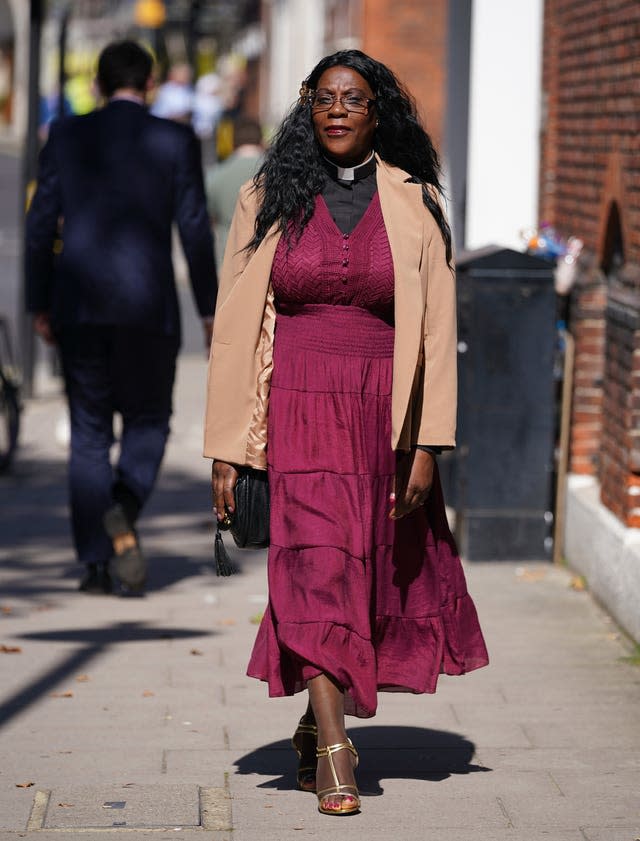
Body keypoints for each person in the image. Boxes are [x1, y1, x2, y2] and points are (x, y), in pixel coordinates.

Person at [204, 50, 488, 816]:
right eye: (324, 99)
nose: (337, 111)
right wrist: (229, 448)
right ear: (308, 108)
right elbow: (234, 330)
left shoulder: (415, 200)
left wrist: (428, 443)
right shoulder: (268, 196)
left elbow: (435, 329)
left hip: (379, 413)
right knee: (314, 567)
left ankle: (312, 717)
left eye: (353, 100)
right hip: (293, 404)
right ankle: (336, 750)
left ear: (375, 112)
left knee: (356, 575)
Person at [26, 40, 217, 595]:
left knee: (88, 433)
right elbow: (195, 229)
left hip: (78, 303)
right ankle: (125, 507)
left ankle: (93, 563)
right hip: (147, 307)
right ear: (151, 85)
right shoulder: (175, 139)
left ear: (97, 85)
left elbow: (41, 224)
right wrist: (208, 307)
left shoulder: (65, 134)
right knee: (150, 420)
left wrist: (38, 300)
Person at [205, 116, 264, 266]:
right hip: (267, 263)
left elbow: (208, 221)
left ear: (232, 143)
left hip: (228, 261)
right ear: (262, 141)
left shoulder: (215, 176)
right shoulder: (281, 174)